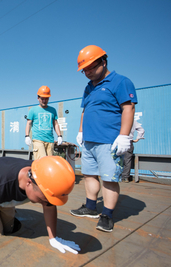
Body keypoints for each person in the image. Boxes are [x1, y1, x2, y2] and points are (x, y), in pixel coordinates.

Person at [0, 156, 81, 254]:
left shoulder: (41, 177)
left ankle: (1, 208)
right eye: (44, 200)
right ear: (29, 183)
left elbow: (49, 205)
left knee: (8, 228)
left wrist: (54, 238)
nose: (46, 203)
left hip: (5, 195)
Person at [70, 45, 137, 232]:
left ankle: (107, 215)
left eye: (91, 67)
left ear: (103, 61)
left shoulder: (120, 82)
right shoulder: (88, 87)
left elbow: (128, 108)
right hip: (89, 141)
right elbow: (85, 111)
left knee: (109, 178)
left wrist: (124, 136)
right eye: (84, 70)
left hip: (109, 141)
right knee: (89, 174)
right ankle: (90, 207)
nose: (88, 72)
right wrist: (81, 131)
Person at [25, 86, 63, 160]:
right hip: (38, 140)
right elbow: (29, 123)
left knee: (49, 162)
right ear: (38, 98)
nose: (44, 101)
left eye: (46, 99)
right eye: (42, 99)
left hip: (50, 141)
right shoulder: (33, 110)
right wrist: (27, 136)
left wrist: (59, 136)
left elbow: (55, 123)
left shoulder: (52, 110)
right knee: (42, 162)